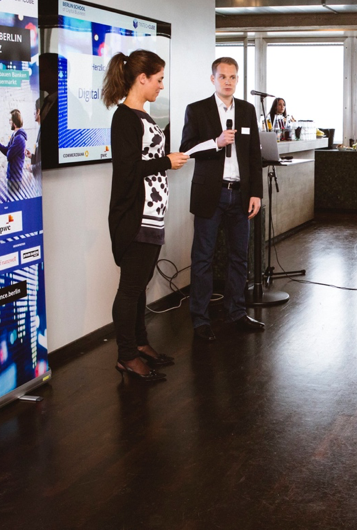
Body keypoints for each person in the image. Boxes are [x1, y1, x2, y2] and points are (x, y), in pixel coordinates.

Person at [105, 50, 188, 381]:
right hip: (135, 219)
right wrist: (166, 161)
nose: (161, 86)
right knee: (130, 289)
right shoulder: (124, 117)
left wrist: (167, 157)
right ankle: (126, 356)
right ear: (142, 79)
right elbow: (127, 170)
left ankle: (140, 345)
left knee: (139, 287)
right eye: (158, 79)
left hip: (152, 216)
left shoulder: (142, 115)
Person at [180, 57, 264, 342]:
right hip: (210, 195)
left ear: (237, 80)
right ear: (212, 79)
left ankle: (236, 313)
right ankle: (201, 320)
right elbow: (187, 149)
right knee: (203, 258)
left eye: (233, 77)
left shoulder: (247, 110)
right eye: (222, 76)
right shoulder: (197, 110)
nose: (228, 81)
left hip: (241, 194)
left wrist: (256, 193)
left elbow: (254, 154)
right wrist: (216, 143)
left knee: (239, 257)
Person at [0, 109, 28, 197]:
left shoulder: (19, 138)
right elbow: (7, 151)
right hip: (11, 177)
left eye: (10, 120)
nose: (9, 122)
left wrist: (9, 150)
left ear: (15, 122)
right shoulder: (14, 136)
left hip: (15, 179)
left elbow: (9, 156)